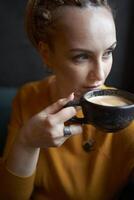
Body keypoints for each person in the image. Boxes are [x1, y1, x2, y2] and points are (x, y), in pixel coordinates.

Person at [0, 0, 134, 199]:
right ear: (46, 54)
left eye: (108, 53)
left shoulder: (126, 118)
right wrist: (27, 143)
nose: (99, 75)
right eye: (81, 57)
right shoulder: (28, 98)